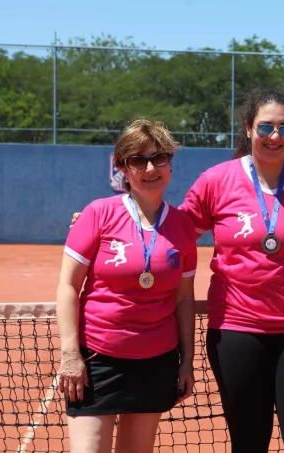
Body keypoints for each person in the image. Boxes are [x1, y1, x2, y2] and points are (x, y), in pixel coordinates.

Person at [179, 88, 284, 453]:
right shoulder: (217, 180)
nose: (275, 137)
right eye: (266, 127)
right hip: (236, 328)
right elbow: (175, 231)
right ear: (249, 128)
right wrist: (115, 221)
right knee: (249, 442)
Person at [56, 119, 197, 453]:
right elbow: (67, 286)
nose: (150, 168)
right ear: (123, 167)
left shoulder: (182, 226)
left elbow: (183, 299)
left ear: (169, 163)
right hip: (97, 360)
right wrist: (70, 355)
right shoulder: (98, 213)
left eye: (159, 157)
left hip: (156, 361)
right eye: (138, 160)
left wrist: (187, 361)